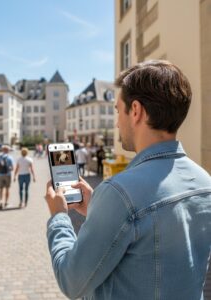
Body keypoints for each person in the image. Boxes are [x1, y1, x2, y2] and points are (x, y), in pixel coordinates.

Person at [45, 60, 211, 299]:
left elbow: (71, 280)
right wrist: (97, 207)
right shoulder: (204, 181)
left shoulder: (119, 193)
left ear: (135, 110)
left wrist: (59, 217)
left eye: (116, 110)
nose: (116, 122)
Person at [0, 145, 14, 210]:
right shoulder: (10, 158)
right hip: (7, 175)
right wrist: (8, 168)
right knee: (7, 189)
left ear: (2, 150)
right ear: (8, 151)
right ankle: (6, 202)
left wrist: (0, 168)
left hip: (0, 175)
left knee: (1, 189)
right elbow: (12, 168)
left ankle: (1, 202)